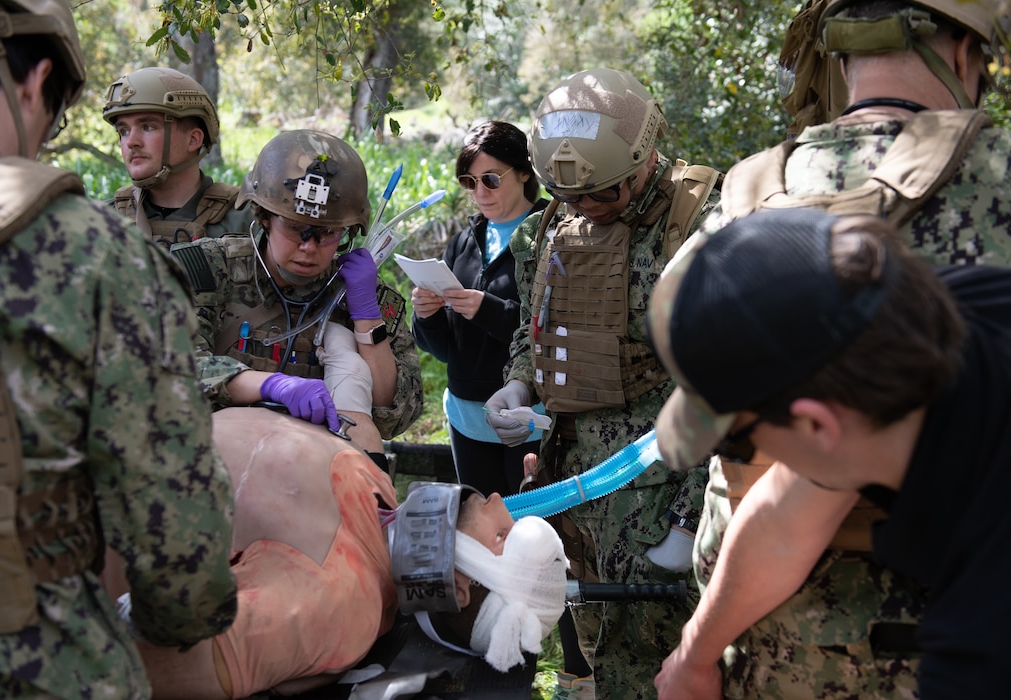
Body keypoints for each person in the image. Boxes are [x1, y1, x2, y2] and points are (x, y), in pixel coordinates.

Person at [652, 1, 1011, 698]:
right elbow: (797, 500)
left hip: (777, 644)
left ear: (838, 59)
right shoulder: (971, 294)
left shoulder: (748, 192)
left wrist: (702, 649)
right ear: (968, 54)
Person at [0, 1, 238, 697]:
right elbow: (175, 522)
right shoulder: (91, 245)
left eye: (150, 125)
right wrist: (177, 618)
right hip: (33, 656)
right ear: (34, 84)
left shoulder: (236, 218)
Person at [648, 208, 1011, 698]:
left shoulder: (985, 631)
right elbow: (785, 519)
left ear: (818, 423)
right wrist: (693, 657)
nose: (753, 453)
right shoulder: (916, 315)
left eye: (738, 439)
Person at [484, 68, 724, 700]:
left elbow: (728, 378)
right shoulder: (548, 227)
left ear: (645, 158)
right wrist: (519, 386)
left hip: (662, 481)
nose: (586, 209)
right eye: (573, 198)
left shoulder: (699, 222)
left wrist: (688, 515)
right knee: (600, 646)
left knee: (673, 658)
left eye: (602, 196)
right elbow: (534, 328)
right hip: (571, 484)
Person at [122, 406, 569, 699]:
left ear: (456, 586)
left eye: (503, 535)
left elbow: (164, 664)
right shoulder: (379, 496)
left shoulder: (337, 605)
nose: (497, 500)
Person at [170, 128, 423, 462]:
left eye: (326, 233)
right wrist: (271, 386)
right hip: (215, 462)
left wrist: (366, 316)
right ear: (264, 218)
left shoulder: (363, 294)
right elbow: (173, 368)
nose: (308, 247)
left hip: (318, 470)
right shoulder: (206, 270)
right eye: (293, 227)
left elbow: (395, 414)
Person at [411, 120, 549, 496]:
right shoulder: (463, 241)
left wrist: (486, 308)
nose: (480, 193)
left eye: (490, 179)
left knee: (531, 531)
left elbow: (551, 329)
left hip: (527, 419)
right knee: (480, 531)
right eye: (469, 183)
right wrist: (427, 315)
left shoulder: (552, 235)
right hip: (465, 418)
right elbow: (443, 351)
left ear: (524, 172)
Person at [102, 66, 253, 246]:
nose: (131, 142)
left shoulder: (245, 219)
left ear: (193, 139)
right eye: (124, 131)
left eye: (148, 127)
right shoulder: (104, 220)